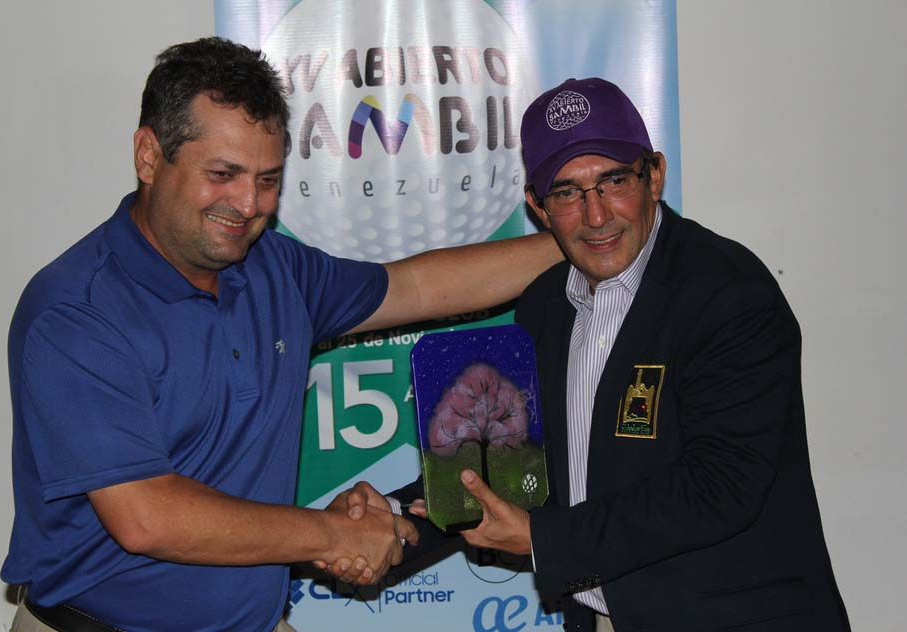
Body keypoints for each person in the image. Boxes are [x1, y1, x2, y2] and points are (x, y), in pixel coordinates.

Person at [1, 37, 564, 632]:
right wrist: (330, 533)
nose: (248, 204)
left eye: (267, 179)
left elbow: (417, 288)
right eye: (223, 174)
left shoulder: (275, 269)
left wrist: (581, 239)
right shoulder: (75, 311)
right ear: (148, 155)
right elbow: (147, 516)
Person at [343, 78, 851, 631]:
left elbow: (719, 485)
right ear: (538, 207)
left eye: (613, 181)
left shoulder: (728, 293)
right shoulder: (543, 304)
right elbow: (513, 463)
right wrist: (395, 519)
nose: (596, 214)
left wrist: (543, 540)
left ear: (655, 175)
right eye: (567, 193)